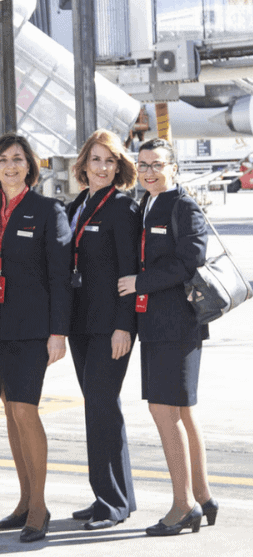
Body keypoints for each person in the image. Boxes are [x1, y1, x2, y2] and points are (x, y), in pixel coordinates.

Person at [0, 133, 71, 543]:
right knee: (10, 411)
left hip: (32, 327)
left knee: (26, 411)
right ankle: (25, 498)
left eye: (17, 159)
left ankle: (41, 506)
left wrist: (58, 332)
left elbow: (60, 278)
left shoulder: (48, 210)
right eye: (2, 160)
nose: (10, 166)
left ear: (29, 165)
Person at [117, 138, 217, 536]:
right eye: (142, 165)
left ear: (173, 168)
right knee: (183, 412)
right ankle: (203, 495)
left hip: (177, 325)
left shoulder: (182, 205)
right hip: (157, 324)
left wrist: (140, 282)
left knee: (164, 412)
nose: (148, 172)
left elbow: (192, 258)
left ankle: (183, 505)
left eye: (157, 164)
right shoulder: (147, 204)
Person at [66, 130, 139, 530]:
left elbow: (130, 272)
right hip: (81, 324)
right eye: (96, 160)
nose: (103, 167)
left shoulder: (122, 208)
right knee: (100, 408)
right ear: (83, 164)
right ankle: (112, 496)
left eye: (110, 161)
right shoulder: (79, 205)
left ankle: (111, 502)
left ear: (119, 166)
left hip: (110, 327)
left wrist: (123, 327)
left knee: (101, 406)